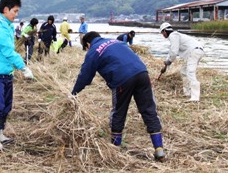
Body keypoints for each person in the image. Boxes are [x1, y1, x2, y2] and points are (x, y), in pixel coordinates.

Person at [71, 31, 165, 161]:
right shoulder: (117, 41)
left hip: (122, 79)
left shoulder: (93, 51)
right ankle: (159, 149)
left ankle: (115, 149)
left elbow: (85, 77)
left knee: (119, 112)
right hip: (142, 73)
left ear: (88, 44)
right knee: (149, 110)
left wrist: (73, 93)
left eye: (86, 47)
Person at [0, 0, 34, 151]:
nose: (16, 15)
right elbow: (9, 52)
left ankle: (1, 133)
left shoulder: (7, 26)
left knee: (6, 106)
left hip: (6, 73)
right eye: (15, 11)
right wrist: (23, 67)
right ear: (5, 9)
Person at [159, 22, 205, 102]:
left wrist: (169, 62)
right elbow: (171, 52)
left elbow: (174, 52)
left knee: (190, 72)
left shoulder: (173, 36)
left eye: (162, 33)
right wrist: (167, 63)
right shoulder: (176, 36)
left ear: (165, 32)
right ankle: (187, 92)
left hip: (194, 52)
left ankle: (195, 97)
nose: (163, 35)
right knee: (184, 71)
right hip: (196, 51)